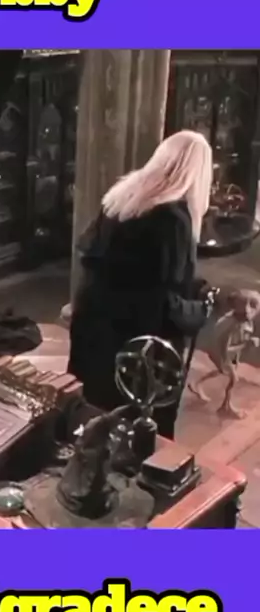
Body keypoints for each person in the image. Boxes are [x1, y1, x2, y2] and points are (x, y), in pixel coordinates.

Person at [68, 130, 214, 440]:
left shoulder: (123, 196)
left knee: (94, 415)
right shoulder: (173, 218)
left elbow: (111, 264)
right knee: (135, 430)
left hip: (94, 321)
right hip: (135, 341)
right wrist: (200, 309)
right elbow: (163, 299)